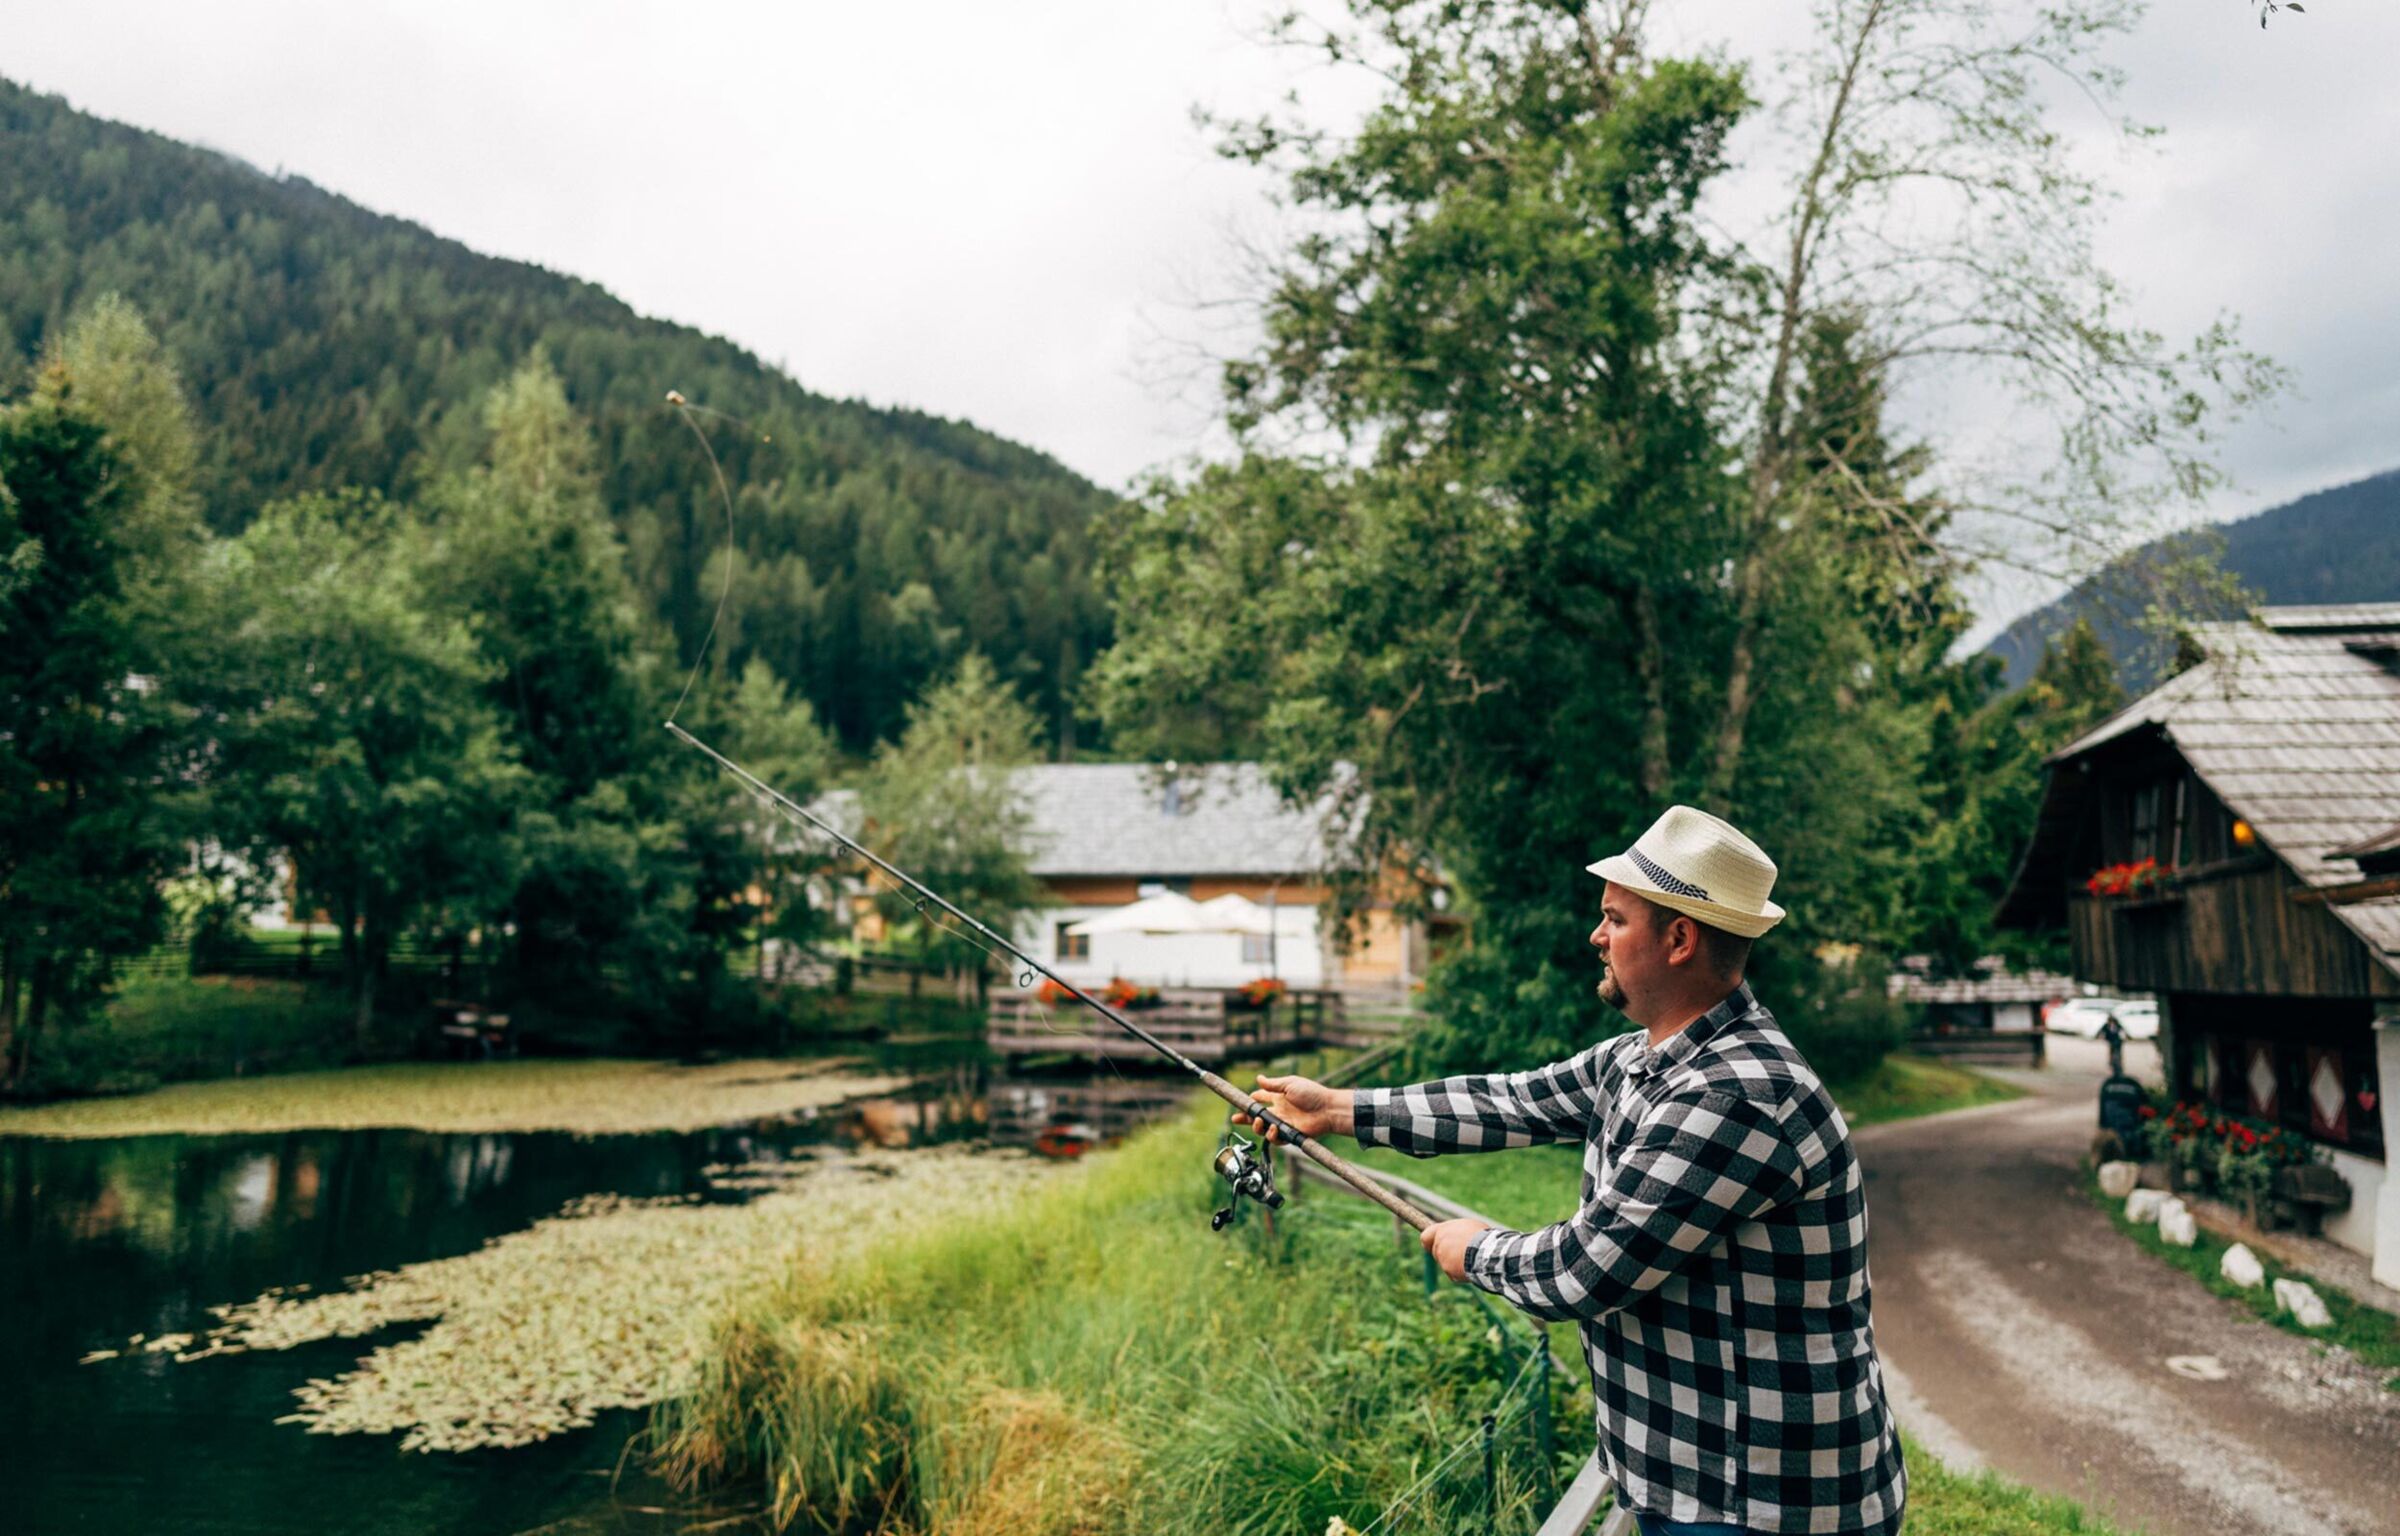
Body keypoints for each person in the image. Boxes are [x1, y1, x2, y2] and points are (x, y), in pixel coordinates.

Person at [1241, 806, 1906, 1536]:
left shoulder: (1738, 1094)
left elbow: (1586, 1270)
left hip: (1764, 1500)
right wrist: (1338, 1109)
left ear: (1679, 938)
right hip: (1695, 1476)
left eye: (1615, 920)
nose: (1596, 937)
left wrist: (1476, 1249)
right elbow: (1508, 1103)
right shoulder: (1643, 1059)